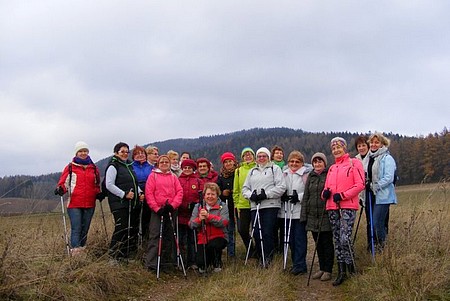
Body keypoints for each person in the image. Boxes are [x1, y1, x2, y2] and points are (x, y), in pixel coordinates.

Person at [322, 137, 365, 286]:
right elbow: (326, 188)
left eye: (339, 147)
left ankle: (351, 268)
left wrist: (344, 195)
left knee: (344, 238)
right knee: (337, 240)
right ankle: (341, 272)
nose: (336, 150)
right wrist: (325, 194)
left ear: (344, 148)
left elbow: (360, 184)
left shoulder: (354, 163)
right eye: (333, 148)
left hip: (347, 206)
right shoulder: (332, 168)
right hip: (332, 207)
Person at [242, 147, 286, 267]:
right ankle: (260, 255)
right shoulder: (252, 171)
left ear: (268, 157)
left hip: (270, 205)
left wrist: (266, 195)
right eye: (259, 156)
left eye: (264, 156)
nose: (261, 158)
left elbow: (281, 187)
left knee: (267, 232)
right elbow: (244, 189)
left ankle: (268, 257)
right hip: (255, 205)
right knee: (256, 232)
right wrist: (252, 195)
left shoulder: (274, 169)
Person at [55, 141, 101, 256]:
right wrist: (60, 189)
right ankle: (76, 254)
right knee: (76, 228)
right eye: (80, 151)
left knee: (85, 229)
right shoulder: (70, 167)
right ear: (76, 153)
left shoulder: (94, 168)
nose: (83, 153)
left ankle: (82, 250)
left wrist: (99, 193)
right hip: (74, 203)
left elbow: (96, 185)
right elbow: (64, 183)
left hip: (90, 203)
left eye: (85, 151)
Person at [105, 142, 145, 261]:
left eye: (127, 152)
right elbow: (109, 184)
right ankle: (113, 256)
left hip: (131, 203)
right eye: (122, 151)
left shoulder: (128, 165)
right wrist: (124, 194)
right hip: (119, 204)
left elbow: (134, 183)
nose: (125, 154)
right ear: (116, 152)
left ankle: (124, 255)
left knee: (131, 229)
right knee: (121, 229)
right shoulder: (113, 165)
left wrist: (140, 192)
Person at [144, 155, 183, 271]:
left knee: (170, 235)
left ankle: (167, 262)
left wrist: (173, 205)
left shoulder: (173, 177)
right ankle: (152, 263)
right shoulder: (153, 176)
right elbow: (149, 194)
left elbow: (179, 192)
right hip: (158, 211)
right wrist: (156, 208)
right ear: (158, 164)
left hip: (171, 209)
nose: (164, 163)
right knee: (155, 235)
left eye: (166, 162)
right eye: (162, 162)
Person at [301, 152, 334, 281]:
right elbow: (306, 196)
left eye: (320, 161)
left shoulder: (329, 174)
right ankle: (321, 268)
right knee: (318, 243)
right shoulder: (311, 176)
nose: (317, 164)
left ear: (324, 163)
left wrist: (328, 193)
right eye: (315, 162)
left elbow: (332, 189)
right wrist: (304, 215)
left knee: (326, 243)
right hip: (312, 215)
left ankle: (328, 270)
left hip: (325, 214)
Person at [280, 151, 312, 275]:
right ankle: (295, 263)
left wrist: (298, 197)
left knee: (299, 238)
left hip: (299, 211)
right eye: (292, 161)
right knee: (290, 239)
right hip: (286, 211)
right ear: (288, 163)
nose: (294, 164)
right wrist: (282, 195)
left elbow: (309, 191)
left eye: (297, 161)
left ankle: (300, 264)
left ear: (302, 163)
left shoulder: (305, 175)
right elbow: (280, 187)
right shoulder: (284, 174)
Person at [365, 132, 397, 252]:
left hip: (383, 196)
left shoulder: (387, 158)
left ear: (382, 144)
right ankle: (379, 247)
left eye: (376, 142)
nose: (373, 144)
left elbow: (389, 178)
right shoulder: (370, 158)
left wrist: (374, 186)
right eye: (372, 142)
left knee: (377, 223)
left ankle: (383, 248)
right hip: (372, 196)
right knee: (373, 223)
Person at [189, 182, 229, 273]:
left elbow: (224, 222)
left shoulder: (223, 206)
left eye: (213, 194)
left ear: (217, 195)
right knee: (201, 264)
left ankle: (217, 263)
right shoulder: (198, 206)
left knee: (214, 246)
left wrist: (208, 217)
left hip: (219, 237)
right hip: (202, 238)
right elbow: (191, 224)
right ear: (204, 195)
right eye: (208, 194)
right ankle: (206, 263)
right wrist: (199, 219)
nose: (210, 196)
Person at [233, 147, 256, 258]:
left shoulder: (257, 168)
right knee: (242, 230)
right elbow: (236, 190)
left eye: (250, 154)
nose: (248, 156)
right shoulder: (238, 171)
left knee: (256, 230)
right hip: (243, 205)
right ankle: (250, 249)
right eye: (245, 155)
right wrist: (237, 205)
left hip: (256, 204)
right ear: (242, 157)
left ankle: (258, 252)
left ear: (253, 156)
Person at [178, 159, 201, 269]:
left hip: (193, 214)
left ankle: (193, 261)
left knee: (192, 239)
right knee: (181, 239)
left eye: (189, 168)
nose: (187, 170)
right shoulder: (178, 180)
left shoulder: (197, 181)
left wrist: (196, 204)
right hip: (180, 214)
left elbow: (200, 196)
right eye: (185, 168)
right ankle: (181, 261)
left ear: (193, 169)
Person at [216, 152, 238, 258]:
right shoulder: (221, 177)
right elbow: (217, 191)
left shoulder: (238, 173)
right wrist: (222, 193)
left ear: (234, 161)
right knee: (230, 231)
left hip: (239, 205)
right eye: (226, 162)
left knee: (243, 229)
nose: (228, 163)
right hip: (227, 207)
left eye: (230, 161)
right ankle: (231, 254)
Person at [131, 145, 153, 247]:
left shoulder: (151, 167)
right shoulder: (130, 167)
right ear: (133, 156)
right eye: (137, 153)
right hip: (135, 194)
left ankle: (145, 243)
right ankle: (134, 244)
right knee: (135, 219)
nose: (140, 155)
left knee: (147, 219)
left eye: (142, 153)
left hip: (149, 194)